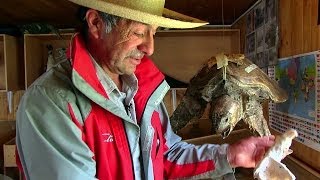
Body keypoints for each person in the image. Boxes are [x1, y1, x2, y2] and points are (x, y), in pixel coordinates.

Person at [16, 0, 275, 179]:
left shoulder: (143, 91)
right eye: (138, 32)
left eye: (154, 33)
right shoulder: (52, 103)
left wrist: (230, 154)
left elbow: (167, 155)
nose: (150, 48)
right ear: (96, 23)